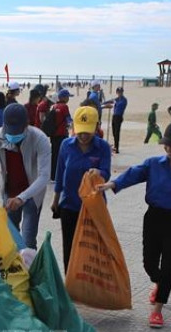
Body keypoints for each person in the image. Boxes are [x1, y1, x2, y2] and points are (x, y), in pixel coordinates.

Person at [97, 121, 171, 328]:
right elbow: (133, 174)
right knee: (149, 263)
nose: (169, 149)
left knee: (169, 265)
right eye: (166, 145)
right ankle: (159, 283)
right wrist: (113, 184)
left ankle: (158, 309)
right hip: (153, 218)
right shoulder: (153, 164)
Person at [50, 106, 111, 273]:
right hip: (69, 205)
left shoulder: (103, 147)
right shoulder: (66, 145)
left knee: (90, 248)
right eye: (80, 131)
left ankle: (88, 282)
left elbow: (106, 174)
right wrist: (56, 199)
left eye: (88, 132)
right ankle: (70, 281)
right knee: (69, 246)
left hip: (92, 207)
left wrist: (99, 172)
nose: (83, 136)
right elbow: (60, 173)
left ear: (96, 127)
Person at [0, 103, 51, 249]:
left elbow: (44, 176)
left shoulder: (40, 139)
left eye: (17, 131)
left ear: (26, 124)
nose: (13, 135)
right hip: (9, 190)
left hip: (33, 192)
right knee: (10, 236)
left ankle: (29, 268)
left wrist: (22, 198)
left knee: (28, 239)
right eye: (10, 131)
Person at [48, 89, 74, 180]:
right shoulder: (64, 107)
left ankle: (52, 175)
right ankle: (59, 175)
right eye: (67, 97)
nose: (68, 99)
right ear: (63, 97)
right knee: (62, 155)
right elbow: (69, 120)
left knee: (54, 155)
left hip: (53, 134)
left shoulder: (53, 106)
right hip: (61, 134)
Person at [106, 87, 127, 154]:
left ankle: (116, 148)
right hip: (114, 116)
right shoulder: (116, 99)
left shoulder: (124, 100)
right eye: (118, 92)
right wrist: (104, 103)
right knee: (114, 132)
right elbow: (110, 101)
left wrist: (114, 103)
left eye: (121, 92)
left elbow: (120, 106)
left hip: (119, 116)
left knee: (117, 132)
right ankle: (115, 146)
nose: (119, 93)